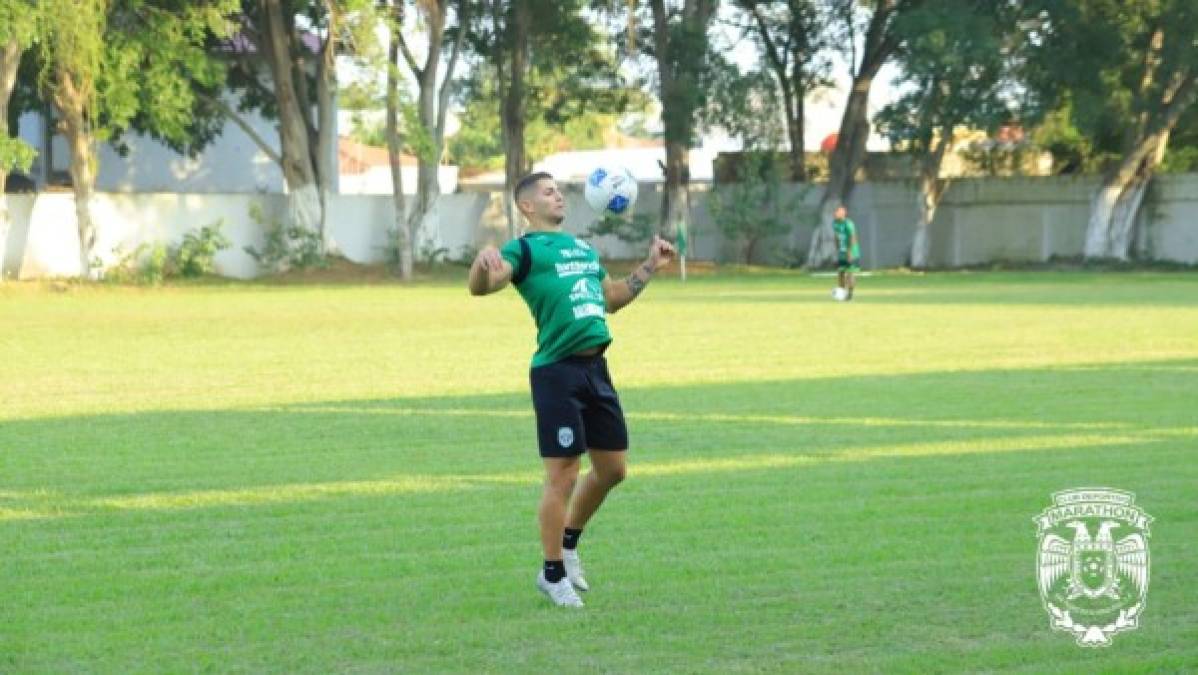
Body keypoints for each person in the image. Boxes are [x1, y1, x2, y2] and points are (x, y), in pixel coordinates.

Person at [468, 172, 676, 608]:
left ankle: (568, 544)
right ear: (527, 207)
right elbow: (485, 285)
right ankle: (552, 573)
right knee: (562, 476)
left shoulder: (581, 249)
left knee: (613, 471)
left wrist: (650, 266)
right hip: (556, 373)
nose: (558, 195)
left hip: (596, 369)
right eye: (548, 192)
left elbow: (612, 298)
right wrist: (482, 263)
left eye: (558, 190)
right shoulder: (523, 249)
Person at [832, 204, 860, 300]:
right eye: (835, 211)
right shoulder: (835, 223)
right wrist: (837, 249)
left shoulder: (848, 224)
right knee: (840, 273)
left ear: (844, 213)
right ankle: (842, 294)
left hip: (852, 252)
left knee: (850, 274)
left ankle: (850, 294)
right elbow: (836, 236)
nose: (836, 213)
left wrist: (849, 252)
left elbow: (853, 238)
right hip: (842, 253)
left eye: (838, 211)